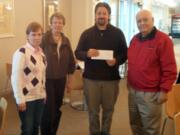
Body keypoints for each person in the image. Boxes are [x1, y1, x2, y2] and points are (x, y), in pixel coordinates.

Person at [75, 2, 127, 135]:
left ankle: (105, 132)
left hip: (111, 80)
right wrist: (87, 53)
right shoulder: (86, 34)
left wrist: (116, 61)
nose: (101, 16)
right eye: (99, 13)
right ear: (95, 15)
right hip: (91, 80)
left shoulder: (117, 33)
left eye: (104, 13)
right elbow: (77, 52)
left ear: (109, 15)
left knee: (109, 111)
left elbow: (124, 54)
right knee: (93, 112)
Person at [127, 9, 177, 135]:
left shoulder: (163, 40)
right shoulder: (134, 39)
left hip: (151, 94)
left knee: (151, 129)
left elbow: (170, 69)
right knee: (135, 124)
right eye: (139, 21)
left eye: (145, 20)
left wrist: (164, 91)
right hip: (133, 92)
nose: (142, 23)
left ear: (152, 21)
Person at [40, 12, 75, 135]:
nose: (57, 25)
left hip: (61, 80)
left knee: (57, 108)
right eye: (55, 22)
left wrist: (70, 83)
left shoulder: (66, 40)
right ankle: (45, 132)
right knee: (47, 110)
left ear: (63, 24)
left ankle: (53, 131)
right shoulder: (44, 39)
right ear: (50, 24)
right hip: (47, 79)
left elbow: (71, 63)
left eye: (60, 22)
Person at [11, 22, 46, 135]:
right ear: (27, 36)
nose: (37, 37)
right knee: (27, 129)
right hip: (26, 98)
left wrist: (43, 93)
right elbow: (15, 77)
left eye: (39, 34)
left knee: (36, 126)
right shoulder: (21, 52)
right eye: (34, 34)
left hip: (39, 96)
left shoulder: (41, 53)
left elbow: (42, 75)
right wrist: (19, 98)